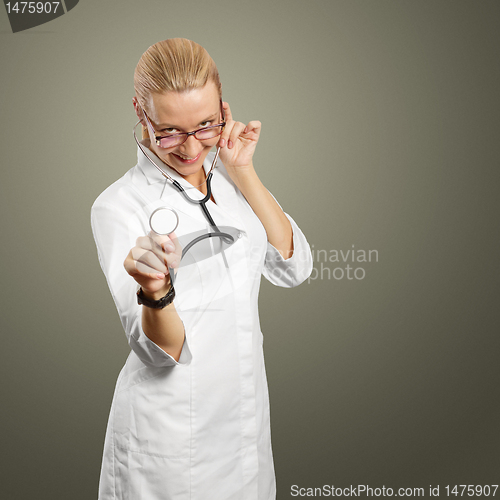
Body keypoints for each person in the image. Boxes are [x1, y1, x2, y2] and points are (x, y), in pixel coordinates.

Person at [91, 38, 313, 500]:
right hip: (168, 437)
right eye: (168, 131)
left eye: (206, 125)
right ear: (140, 111)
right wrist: (155, 290)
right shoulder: (118, 206)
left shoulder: (231, 178)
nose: (191, 148)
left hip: (244, 426)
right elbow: (160, 353)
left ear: (223, 109)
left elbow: (294, 268)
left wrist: (243, 171)